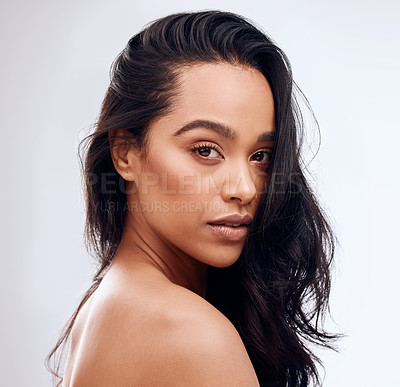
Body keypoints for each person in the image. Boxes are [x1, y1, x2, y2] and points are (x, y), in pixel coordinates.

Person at [47, 10, 338, 387]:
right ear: (125, 153)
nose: (245, 188)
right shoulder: (188, 331)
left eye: (261, 156)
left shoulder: (107, 306)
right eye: (205, 150)